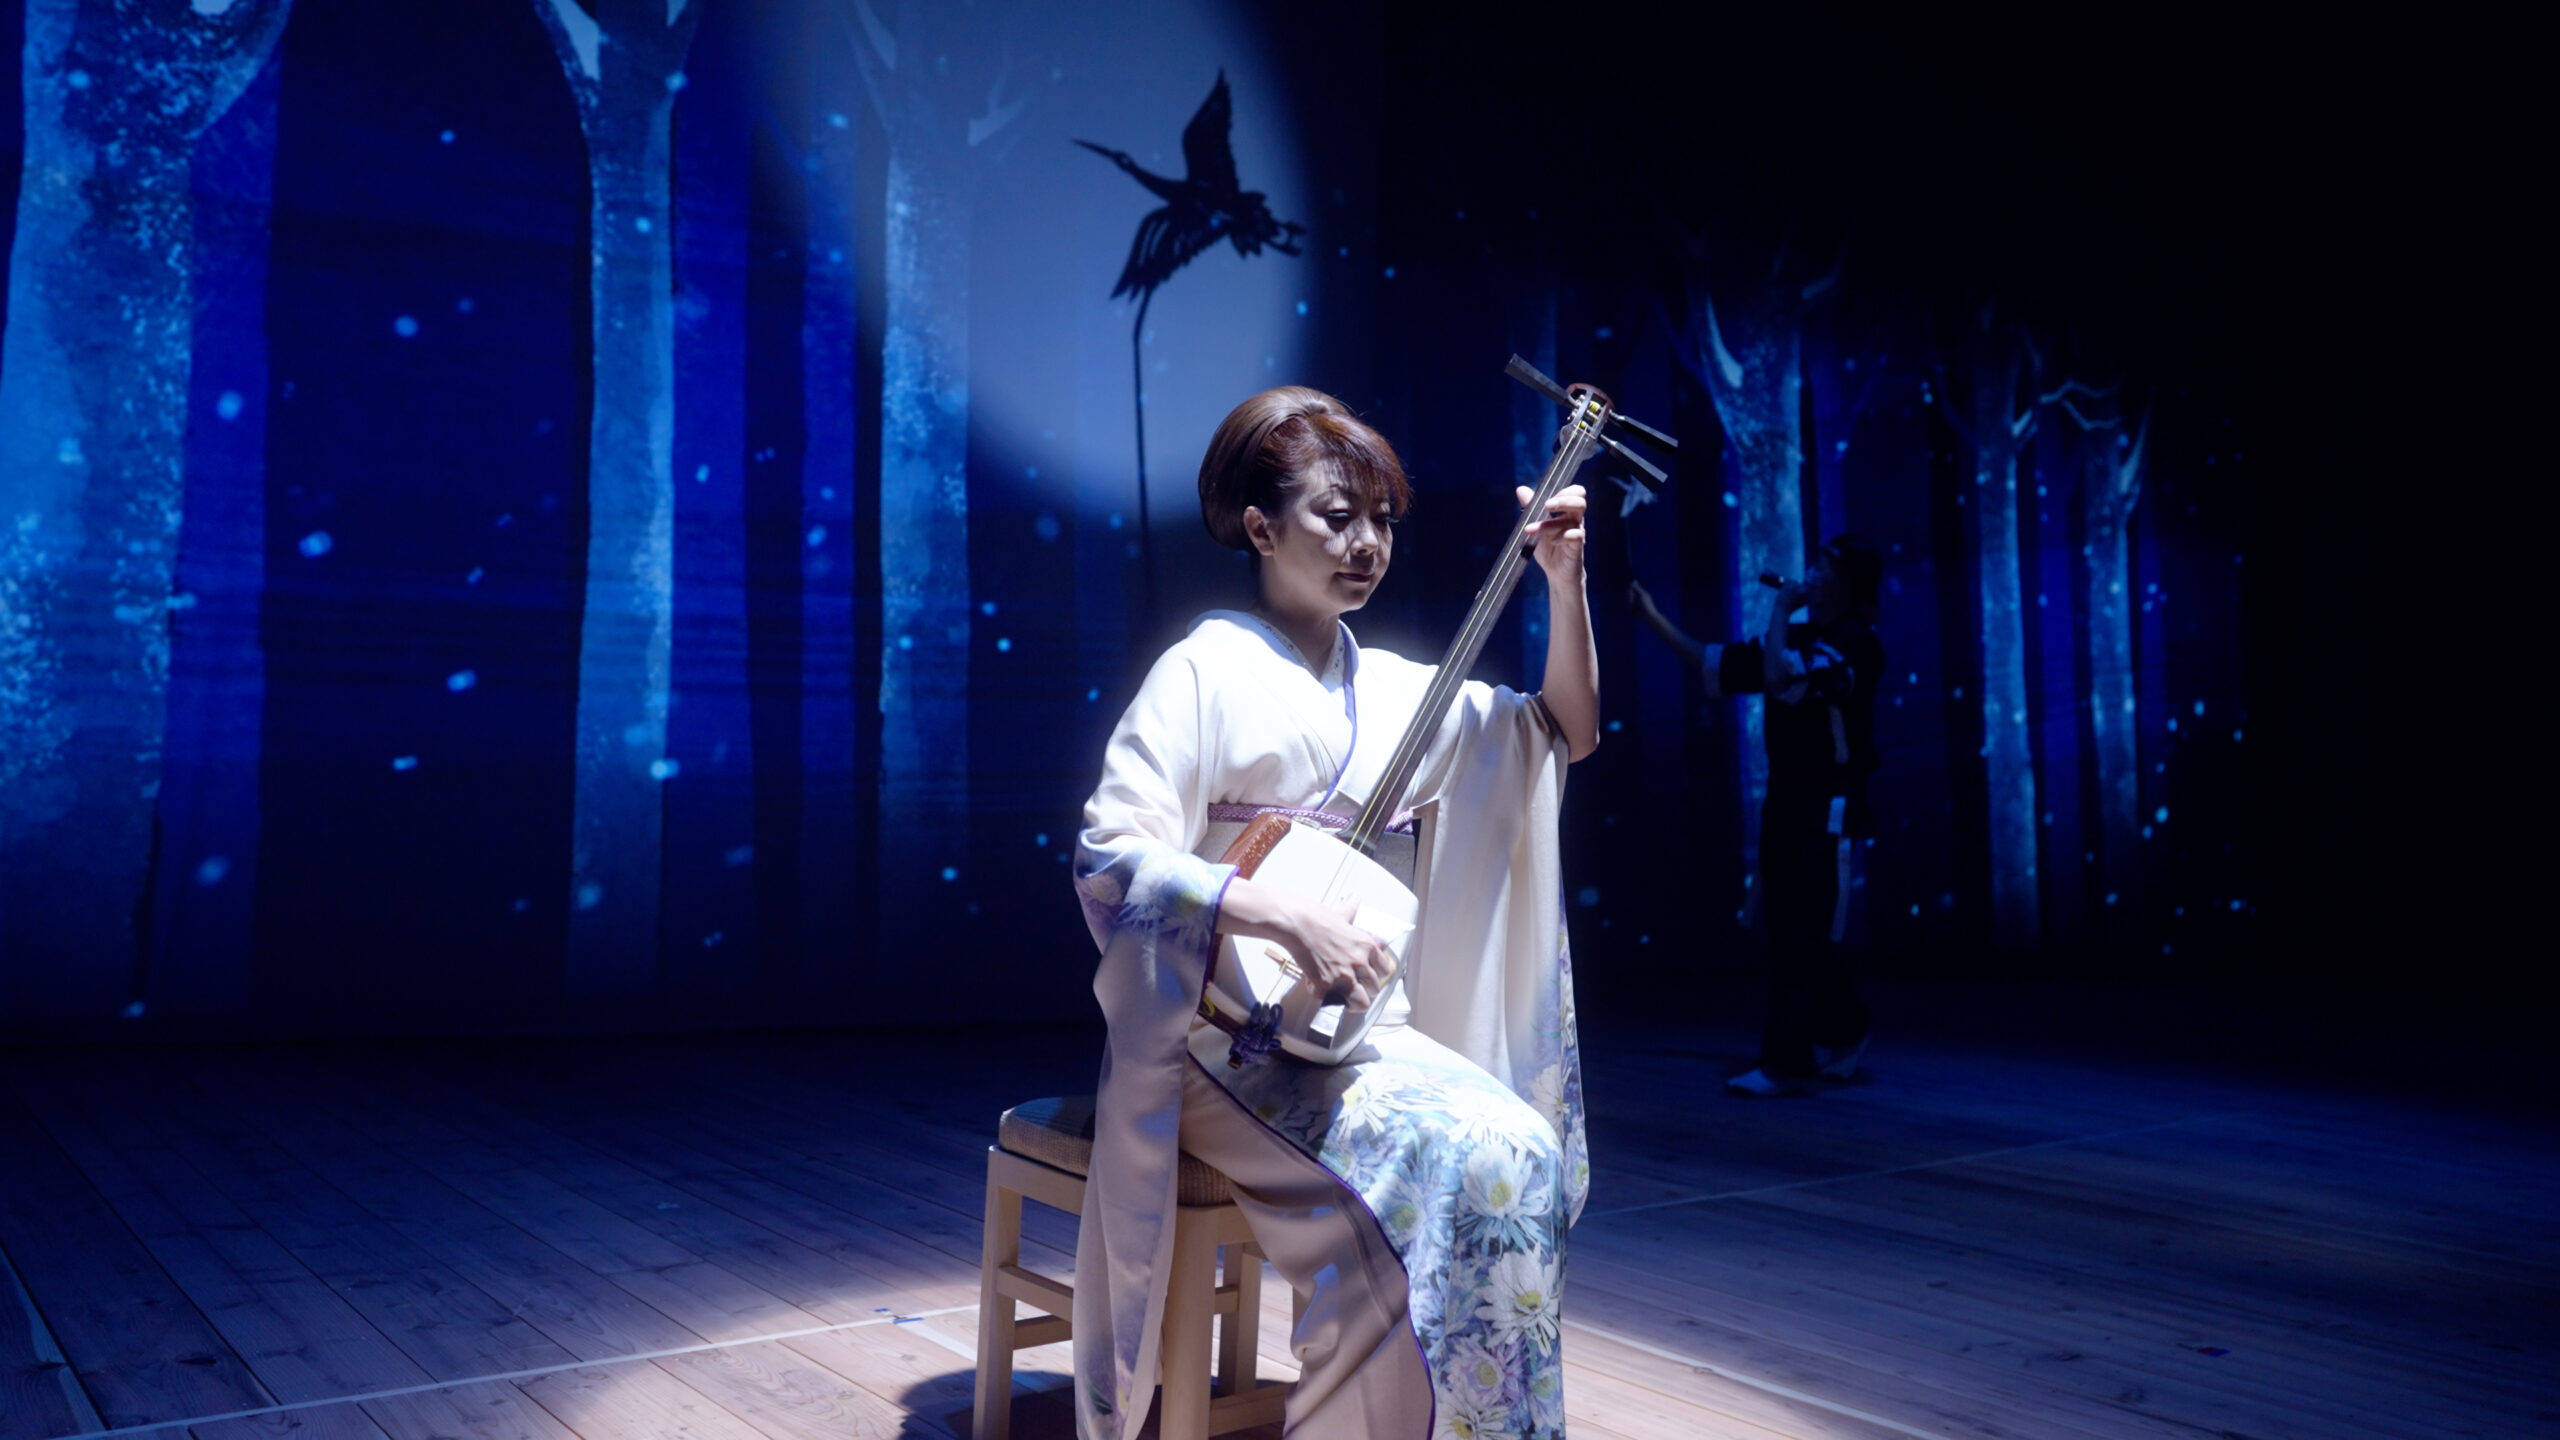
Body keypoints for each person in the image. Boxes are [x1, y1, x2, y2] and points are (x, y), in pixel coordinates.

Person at [1072, 386, 1597, 1440]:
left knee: (1516, 1149)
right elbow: (1112, 857)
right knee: (1403, 1205)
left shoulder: (1398, 691)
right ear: (1260, 528)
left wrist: (1562, 579)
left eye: (1383, 521)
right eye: (1337, 516)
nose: (1367, 544)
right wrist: (1279, 915)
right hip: (1218, 1043)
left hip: (1354, 1036)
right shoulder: (1201, 672)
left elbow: (1561, 734)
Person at [1629, 537, 1885, 1097]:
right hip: (1788, 799)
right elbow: (1717, 661)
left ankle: (1787, 1063)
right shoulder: (1797, 638)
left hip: (1827, 805)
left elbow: (1778, 681)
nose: (1813, 573)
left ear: (1849, 584)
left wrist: (1780, 609)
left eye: (1826, 567)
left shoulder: (1856, 643)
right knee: (1787, 926)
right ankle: (1847, 1027)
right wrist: (1649, 616)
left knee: (1802, 927)